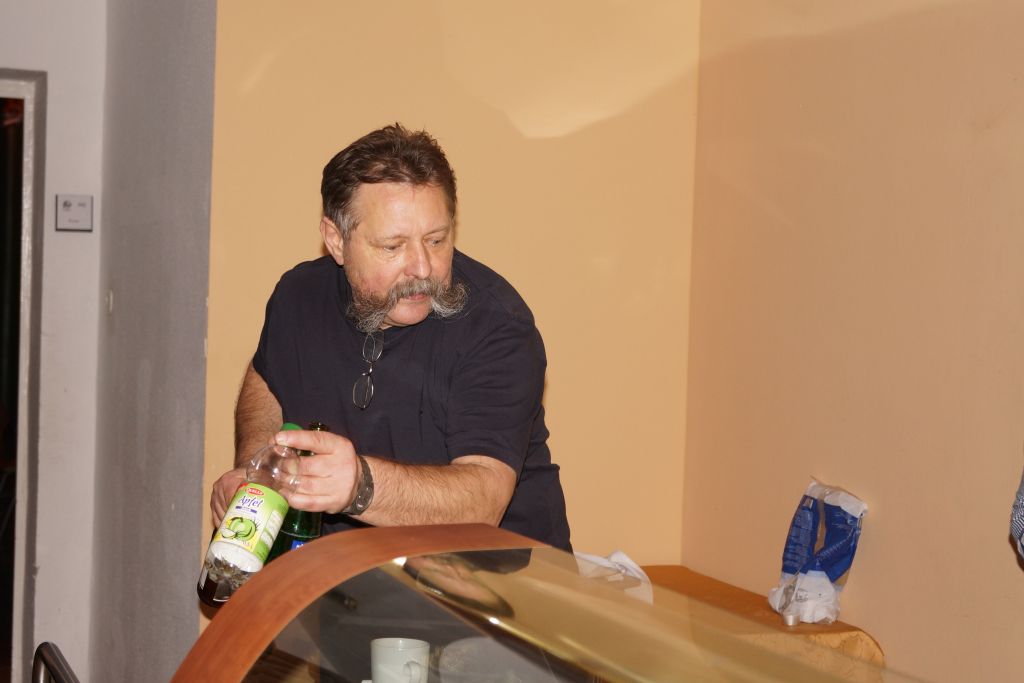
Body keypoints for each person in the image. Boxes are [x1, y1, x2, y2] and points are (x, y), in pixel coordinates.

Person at [210, 123, 571, 551]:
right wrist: (257, 472)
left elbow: (484, 499)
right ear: (336, 240)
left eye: (436, 240)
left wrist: (360, 485)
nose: (422, 267)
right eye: (392, 246)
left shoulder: (498, 326)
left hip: (497, 580)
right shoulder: (298, 295)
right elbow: (267, 378)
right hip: (350, 572)